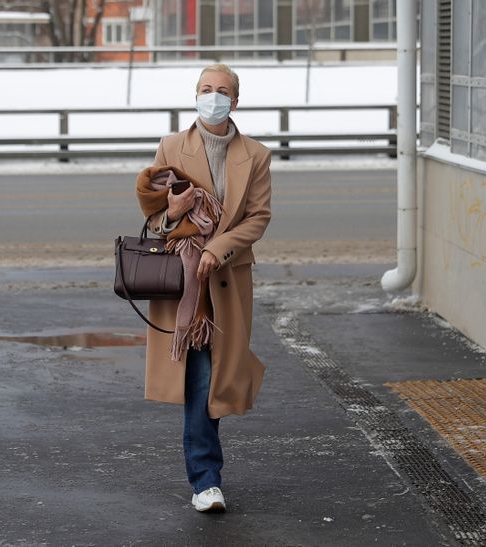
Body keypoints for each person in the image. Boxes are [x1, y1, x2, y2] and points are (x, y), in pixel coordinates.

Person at [135, 63, 272, 512]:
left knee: (217, 378)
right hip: (185, 281)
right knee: (198, 377)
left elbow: (257, 217)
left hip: (227, 279)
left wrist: (220, 247)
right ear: (195, 95)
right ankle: (206, 479)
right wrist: (173, 213)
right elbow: (155, 219)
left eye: (222, 91)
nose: (213, 96)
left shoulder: (256, 155)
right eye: (205, 89)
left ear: (236, 100)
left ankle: (206, 473)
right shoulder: (172, 146)